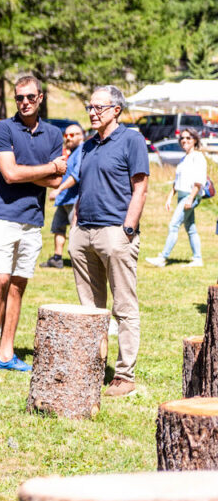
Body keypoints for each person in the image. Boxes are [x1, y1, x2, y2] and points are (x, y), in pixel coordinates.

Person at [0, 75, 65, 377]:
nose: (24, 102)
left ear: (40, 98)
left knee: (18, 285)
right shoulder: (3, 129)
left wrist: (38, 172)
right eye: (19, 98)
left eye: (29, 97)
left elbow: (56, 181)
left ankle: (7, 352)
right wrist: (48, 168)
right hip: (1, 214)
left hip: (32, 219)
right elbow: (10, 174)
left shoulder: (54, 134)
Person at [69, 86, 149, 397]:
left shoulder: (132, 140)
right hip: (83, 234)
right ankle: (92, 370)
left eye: (99, 107)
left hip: (116, 233)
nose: (92, 112)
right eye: (89, 107)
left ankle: (125, 376)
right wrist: (76, 227)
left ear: (116, 110)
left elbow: (140, 188)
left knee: (124, 307)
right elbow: (81, 185)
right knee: (90, 309)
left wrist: (128, 230)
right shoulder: (87, 146)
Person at [147, 128, 206, 268]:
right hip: (181, 195)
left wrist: (191, 198)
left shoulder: (198, 157)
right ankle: (198, 259)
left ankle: (163, 258)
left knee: (173, 225)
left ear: (195, 140)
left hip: (190, 196)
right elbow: (177, 181)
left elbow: (199, 181)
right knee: (191, 228)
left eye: (188, 138)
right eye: (182, 138)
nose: (184, 140)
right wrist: (169, 198)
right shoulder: (184, 158)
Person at [41, 124, 85, 269]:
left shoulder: (82, 151)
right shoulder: (71, 152)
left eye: (72, 135)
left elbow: (76, 176)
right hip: (64, 199)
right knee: (58, 228)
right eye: (66, 135)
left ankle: (78, 259)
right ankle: (57, 258)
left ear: (81, 135)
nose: (68, 138)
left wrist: (58, 190)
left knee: (76, 230)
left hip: (75, 199)